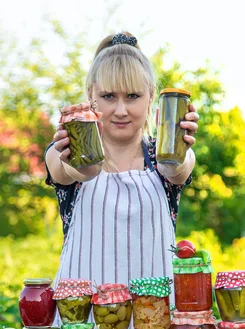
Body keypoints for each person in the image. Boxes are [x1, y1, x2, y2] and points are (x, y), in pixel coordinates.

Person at [45, 32, 199, 287]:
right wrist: (79, 155)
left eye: (132, 96)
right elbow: (78, 171)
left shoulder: (165, 156)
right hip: (82, 321)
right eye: (108, 96)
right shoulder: (64, 151)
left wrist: (176, 142)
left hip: (156, 319)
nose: (120, 110)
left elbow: (176, 170)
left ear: (151, 96)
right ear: (90, 96)